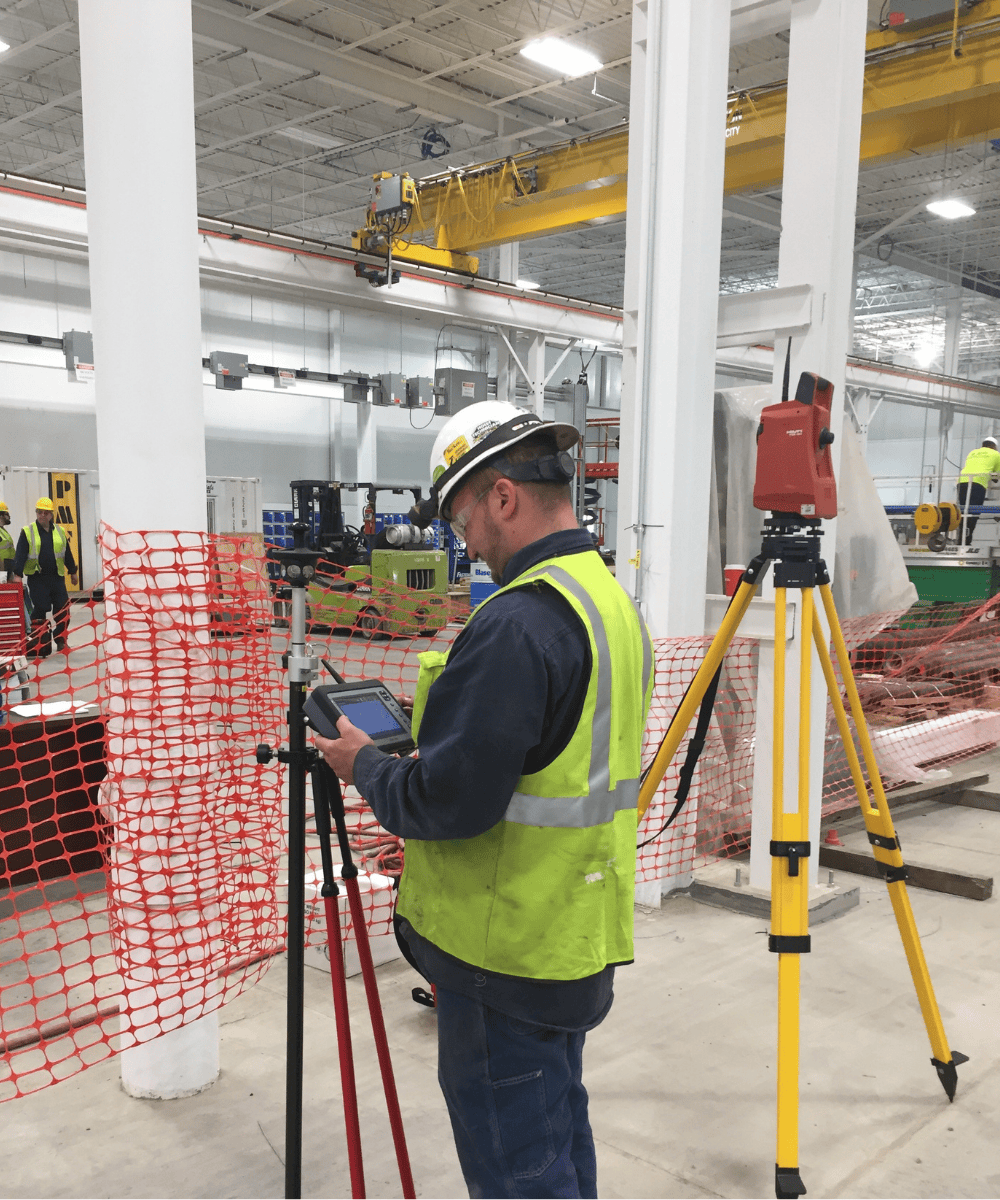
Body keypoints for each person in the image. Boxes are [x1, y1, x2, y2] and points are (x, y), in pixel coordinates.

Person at [316, 401, 654, 1200]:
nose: (464, 541)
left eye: (462, 518)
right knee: (557, 1142)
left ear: (503, 496)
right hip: (570, 939)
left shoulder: (517, 624)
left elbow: (444, 802)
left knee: (519, 1174)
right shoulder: (606, 600)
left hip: (503, 954)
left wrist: (364, 766)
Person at [13, 497, 78, 656]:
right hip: (38, 578)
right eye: (39, 512)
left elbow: (66, 553)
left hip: (56, 578)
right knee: (40, 610)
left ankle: (60, 639)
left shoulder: (60, 531)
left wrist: (73, 571)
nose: (42, 515)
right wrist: (17, 574)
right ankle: (39, 642)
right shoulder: (28, 531)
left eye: (45, 513)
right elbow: (20, 554)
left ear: (51, 515)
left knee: (63, 611)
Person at [956, 437, 1000, 546]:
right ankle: (966, 541)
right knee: (973, 511)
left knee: (963, 511)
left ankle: (960, 539)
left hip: (962, 481)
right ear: (994, 447)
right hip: (978, 483)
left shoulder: (973, 452)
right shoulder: (996, 455)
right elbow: (996, 477)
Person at [0, 501, 14, 583]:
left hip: (6, 569)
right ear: (1, 515)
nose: (9, 516)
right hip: (1, 570)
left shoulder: (3, 530)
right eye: (6, 514)